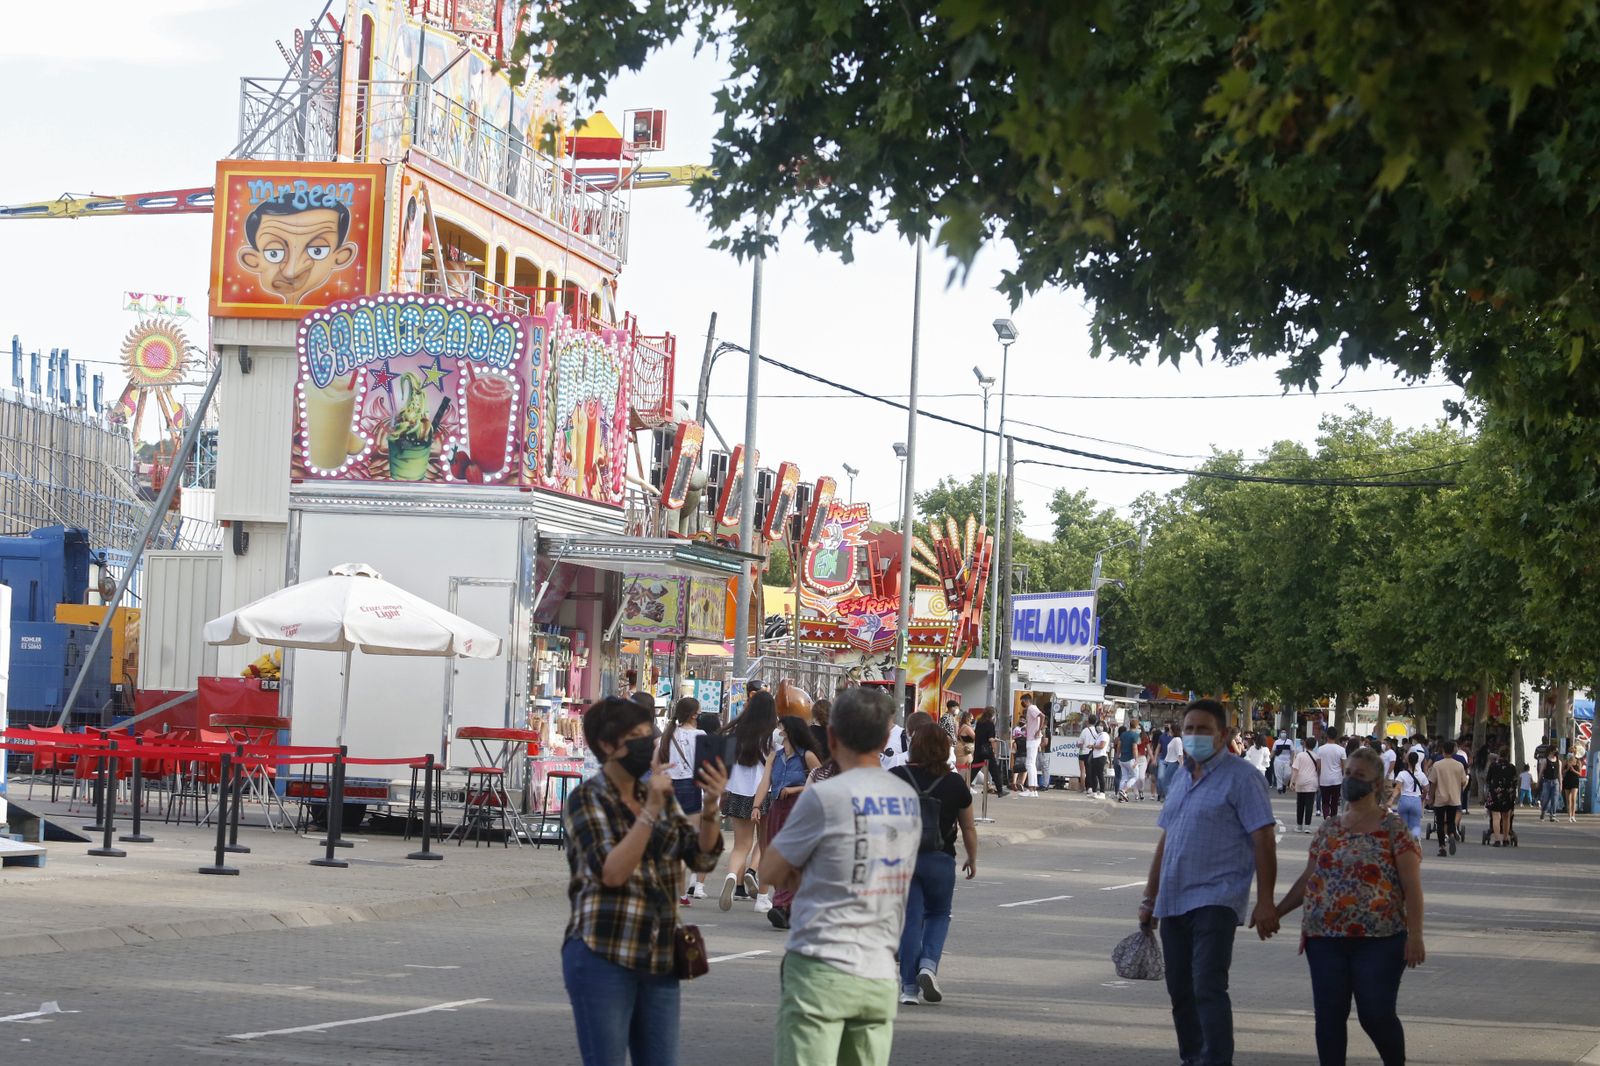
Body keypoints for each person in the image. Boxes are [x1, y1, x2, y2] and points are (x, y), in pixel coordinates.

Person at [561, 696, 729, 1066]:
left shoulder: (656, 795)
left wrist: (711, 807)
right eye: (635, 737)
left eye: (648, 735)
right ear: (607, 745)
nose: (647, 744)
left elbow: (700, 858)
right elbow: (612, 872)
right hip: (604, 951)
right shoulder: (588, 799)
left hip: (660, 956)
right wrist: (649, 812)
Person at [761, 686, 922, 1066]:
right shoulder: (907, 799)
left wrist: (806, 873)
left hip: (821, 966)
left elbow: (770, 870)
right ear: (885, 739)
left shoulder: (825, 796)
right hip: (879, 974)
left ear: (831, 736)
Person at [1139, 698, 1279, 1066]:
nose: (1195, 736)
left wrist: (1266, 901)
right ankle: (1193, 1058)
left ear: (1223, 735)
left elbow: (1263, 839)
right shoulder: (1182, 777)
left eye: (1203, 729)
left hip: (1216, 900)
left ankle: (1216, 1060)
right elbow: (1166, 840)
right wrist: (1149, 898)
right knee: (1181, 991)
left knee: (1208, 986)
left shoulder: (1242, 778)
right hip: (1173, 900)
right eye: (1189, 729)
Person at [1275, 747, 1425, 1066]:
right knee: (1329, 1016)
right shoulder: (1329, 828)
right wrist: (1276, 911)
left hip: (1380, 940)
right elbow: (1309, 878)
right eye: (1348, 774)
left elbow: (1412, 887)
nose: (1350, 780)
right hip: (1324, 938)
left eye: (1359, 775)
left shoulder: (1394, 829)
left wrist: (1415, 936)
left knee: (1375, 1014)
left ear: (1376, 784)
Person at [890, 724, 979, 1006]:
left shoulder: (895, 777)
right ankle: (928, 965)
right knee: (939, 914)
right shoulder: (955, 783)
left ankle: (908, 988)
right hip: (941, 859)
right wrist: (972, 858)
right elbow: (968, 827)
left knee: (911, 919)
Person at [757, 715, 825, 925]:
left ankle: (780, 904)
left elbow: (822, 783)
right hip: (777, 808)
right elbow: (765, 782)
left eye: (781, 728)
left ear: (790, 732)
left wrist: (795, 789)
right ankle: (789, 907)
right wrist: (756, 806)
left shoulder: (807, 756)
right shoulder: (774, 756)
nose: (778, 732)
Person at [717, 691, 778, 909]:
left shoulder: (734, 733)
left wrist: (721, 794)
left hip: (737, 792)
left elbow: (725, 766)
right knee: (765, 844)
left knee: (740, 846)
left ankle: (732, 877)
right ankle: (759, 892)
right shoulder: (774, 736)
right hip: (766, 793)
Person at [658, 697, 707, 904]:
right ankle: (679, 893)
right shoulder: (700, 735)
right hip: (690, 787)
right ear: (694, 714)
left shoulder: (668, 735)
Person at [1426, 739, 1468, 858]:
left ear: (1443, 750)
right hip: (1454, 797)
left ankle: (1442, 847)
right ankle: (1452, 835)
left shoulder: (1437, 765)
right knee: (1451, 820)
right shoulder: (1459, 765)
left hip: (1440, 798)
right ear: (1454, 750)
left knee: (1440, 823)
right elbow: (1463, 781)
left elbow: (1433, 783)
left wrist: (1431, 797)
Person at [1390, 751, 1428, 841]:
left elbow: (1397, 788)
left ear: (1407, 761)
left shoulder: (1402, 774)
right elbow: (1426, 789)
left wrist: (1391, 799)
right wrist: (1423, 798)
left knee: (1403, 826)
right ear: (1417, 761)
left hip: (1404, 800)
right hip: (1416, 800)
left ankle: (1404, 843)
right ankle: (1416, 841)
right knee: (1415, 825)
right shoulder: (1422, 775)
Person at [1484, 748, 1518, 845]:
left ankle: (1497, 839)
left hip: (1496, 793)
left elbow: (1488, 780)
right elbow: (1515, 781)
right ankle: (1506, 838)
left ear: (1499, 754)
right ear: (1508, 755)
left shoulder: (1493, 766)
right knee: (1506, 816)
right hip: (1508, 794)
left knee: (1496, 816)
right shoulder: (1512, 767)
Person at [970, 707, 1005, 797]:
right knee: (994, 770)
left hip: (978, 750)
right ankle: (1000, 790)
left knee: (973, 770)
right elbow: (990, 738)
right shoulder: (990, 724)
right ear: (992, 715)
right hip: (987, 750)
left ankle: (964, 786)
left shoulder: (979, 723)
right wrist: (996, 740)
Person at [1289, 740, 1321, 834]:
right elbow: (1319, 770)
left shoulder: (1300, 755)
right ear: (1314, 746)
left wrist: (1292, 782)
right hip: (1312, 782)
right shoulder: (1317, 757)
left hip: (1301, 781)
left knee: (1300, 805)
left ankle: (1299, 826)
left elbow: (1295, 769)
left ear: (1305, 745)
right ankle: (1307, 826)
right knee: (1309, 805)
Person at [1315, 733, 1347, 819]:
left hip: (1324, 779)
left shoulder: (1320, 749)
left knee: (1325, 801)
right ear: (1336, 737)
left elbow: (1318, 766)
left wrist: (1318, 776)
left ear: (1327, 736)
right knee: (1334, 801)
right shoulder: (1341, 750)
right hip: (1337, 779)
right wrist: (1343, 775)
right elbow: (1344, 765)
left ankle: (1326, 816)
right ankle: (1333, 818)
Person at [1021, 696, 1043, 795]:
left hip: (1032, 739)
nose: (1022, 704)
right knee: (1032, 764)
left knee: (1029, 764)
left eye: (1023, 701)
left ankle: (1031, 789)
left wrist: (1038, 730)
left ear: (1026, 701)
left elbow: (1042, 716)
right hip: (1034, 738)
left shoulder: (1031, 708)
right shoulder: (1033, 708)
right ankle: (1033, 789)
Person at [1116, 719, 1140, 800]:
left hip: (1122, 759)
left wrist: (1117, 755)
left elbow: (1119, 746)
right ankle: (1124, 790)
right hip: (1130, 759)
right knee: (1135, 776)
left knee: (1124, 778)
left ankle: (1121, 796)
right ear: (1136, 726)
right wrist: (1136, 760)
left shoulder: (1123, 734)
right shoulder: (1135, 735)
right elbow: (1134, 748)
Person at [1538, 747, 1563, 820]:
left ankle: (1553, 815)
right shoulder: (1545, 760)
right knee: (1545, 799)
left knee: (1554, 799)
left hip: (1555, 782)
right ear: (1550, 751)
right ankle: (1543, 811)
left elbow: (1559, 774)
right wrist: (1538, 781)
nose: (1556, 753)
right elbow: (1541, 772)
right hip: (1547, 782)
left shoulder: (1559, 762)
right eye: (1555, 751)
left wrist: (1561, 784)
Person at [1159, 724, 1183, 802]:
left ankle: (1170, 798)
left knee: (1166, 781)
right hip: (1170, 762)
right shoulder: (1174, 739)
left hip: (1174, 762)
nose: (1169, 731)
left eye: (1170, 730)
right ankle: (1171, 798)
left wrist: (1181, 765)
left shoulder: (1177, 740)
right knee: (1169, 781)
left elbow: (1180, 753)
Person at [1563, 754, 1582, 823]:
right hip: (1567, 781)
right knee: (1568, 799)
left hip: (1575, 781)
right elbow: (1562, 772)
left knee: (1573, 798)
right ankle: (1569, 816)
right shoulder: (1566, 761)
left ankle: (1573, 815)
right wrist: (1567, 769)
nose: (1571, 754)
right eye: (1570, 752)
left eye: (1573, 752)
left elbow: (1580, 774)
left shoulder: (1578, 762)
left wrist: (1573, 770)